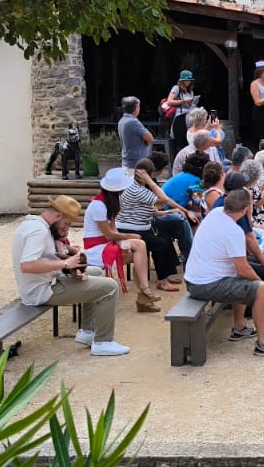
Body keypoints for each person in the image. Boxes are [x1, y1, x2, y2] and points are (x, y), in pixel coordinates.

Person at [183, 188, 264, 358]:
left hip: (194, 278)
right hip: (204, 285)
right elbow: (243, 268)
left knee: (243, 280)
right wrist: (261, 288)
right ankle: (263, 343)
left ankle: (240, 327)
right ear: (245, 210)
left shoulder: (215, 214)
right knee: (260, 288)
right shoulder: (234, 231)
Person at [11, 196, 129, 356]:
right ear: (58, 216)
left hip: (45, 282)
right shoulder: (38, 231)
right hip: (42, 291)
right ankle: (103, 342)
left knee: (96, 272)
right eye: (66, 223)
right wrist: (65, 264)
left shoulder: (35, 224)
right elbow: (27, 265)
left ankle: (87, 332)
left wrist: (66, 254)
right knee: (110, 287)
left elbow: (44, 256)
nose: (67, 228)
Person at [81, 168, 161, 312]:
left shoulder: (107, 203)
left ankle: (145, 290)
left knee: (140, 247)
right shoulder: (98, 205)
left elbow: (113, 230)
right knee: (140, 248)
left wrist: (123, 242)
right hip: (96, 250)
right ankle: (145, 292)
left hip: (105, 244)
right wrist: (128, 237)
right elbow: (109, 234)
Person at [116, 159, 191, 291]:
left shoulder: (139, 188)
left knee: (165, 237)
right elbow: (164, 198)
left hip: (141, 227)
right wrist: (150, 181)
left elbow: (153, 213)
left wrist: (174, 210)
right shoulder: (136, 190)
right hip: (129, 230)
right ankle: (162, 280)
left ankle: (166, 275)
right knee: (160, 244)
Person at [164, 70, 199, 146]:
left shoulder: (190, 91)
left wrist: (194, 102)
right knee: (182, 141)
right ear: (182, 81)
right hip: (180, 117)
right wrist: (184, 101)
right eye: (187, 80)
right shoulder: (176, 88)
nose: (188, 82)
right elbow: (169, 101)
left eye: (190, 80)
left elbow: (190, 105)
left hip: (190, 117)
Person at [118, 96, 154, 168]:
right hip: (136, 164)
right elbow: (150, 139)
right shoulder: (133, 122)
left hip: (128, 161)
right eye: (139, 106)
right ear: (136, 109)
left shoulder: (122, 120)